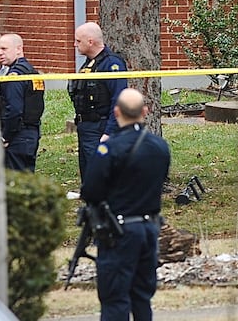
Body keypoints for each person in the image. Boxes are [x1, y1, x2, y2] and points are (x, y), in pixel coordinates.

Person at [81, 88, 170, 321]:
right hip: (149, 228)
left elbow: (90, 191)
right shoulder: (160, 147)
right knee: (142, 296)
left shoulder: (108, 149)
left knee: (114, 298)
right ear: (145, 111)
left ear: (117, 112)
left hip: (119, 231)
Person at [68, 21, 128, 182]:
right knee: (88, 168)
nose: (75, 45)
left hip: (100, 126)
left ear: (90, 41)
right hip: (85, 125)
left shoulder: (112, 64)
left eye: (78, 41)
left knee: (101, 171)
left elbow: (119, 99)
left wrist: (109, 131)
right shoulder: (89, 64)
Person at [0, 33, 45, 172]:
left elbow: (14, 110)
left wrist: (5, 137)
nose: (0, 53)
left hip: (18, 135)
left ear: (18, 49)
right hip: (31, 133)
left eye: (4, 49)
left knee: (16, 181)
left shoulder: (15, 76)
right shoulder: (31, 71)